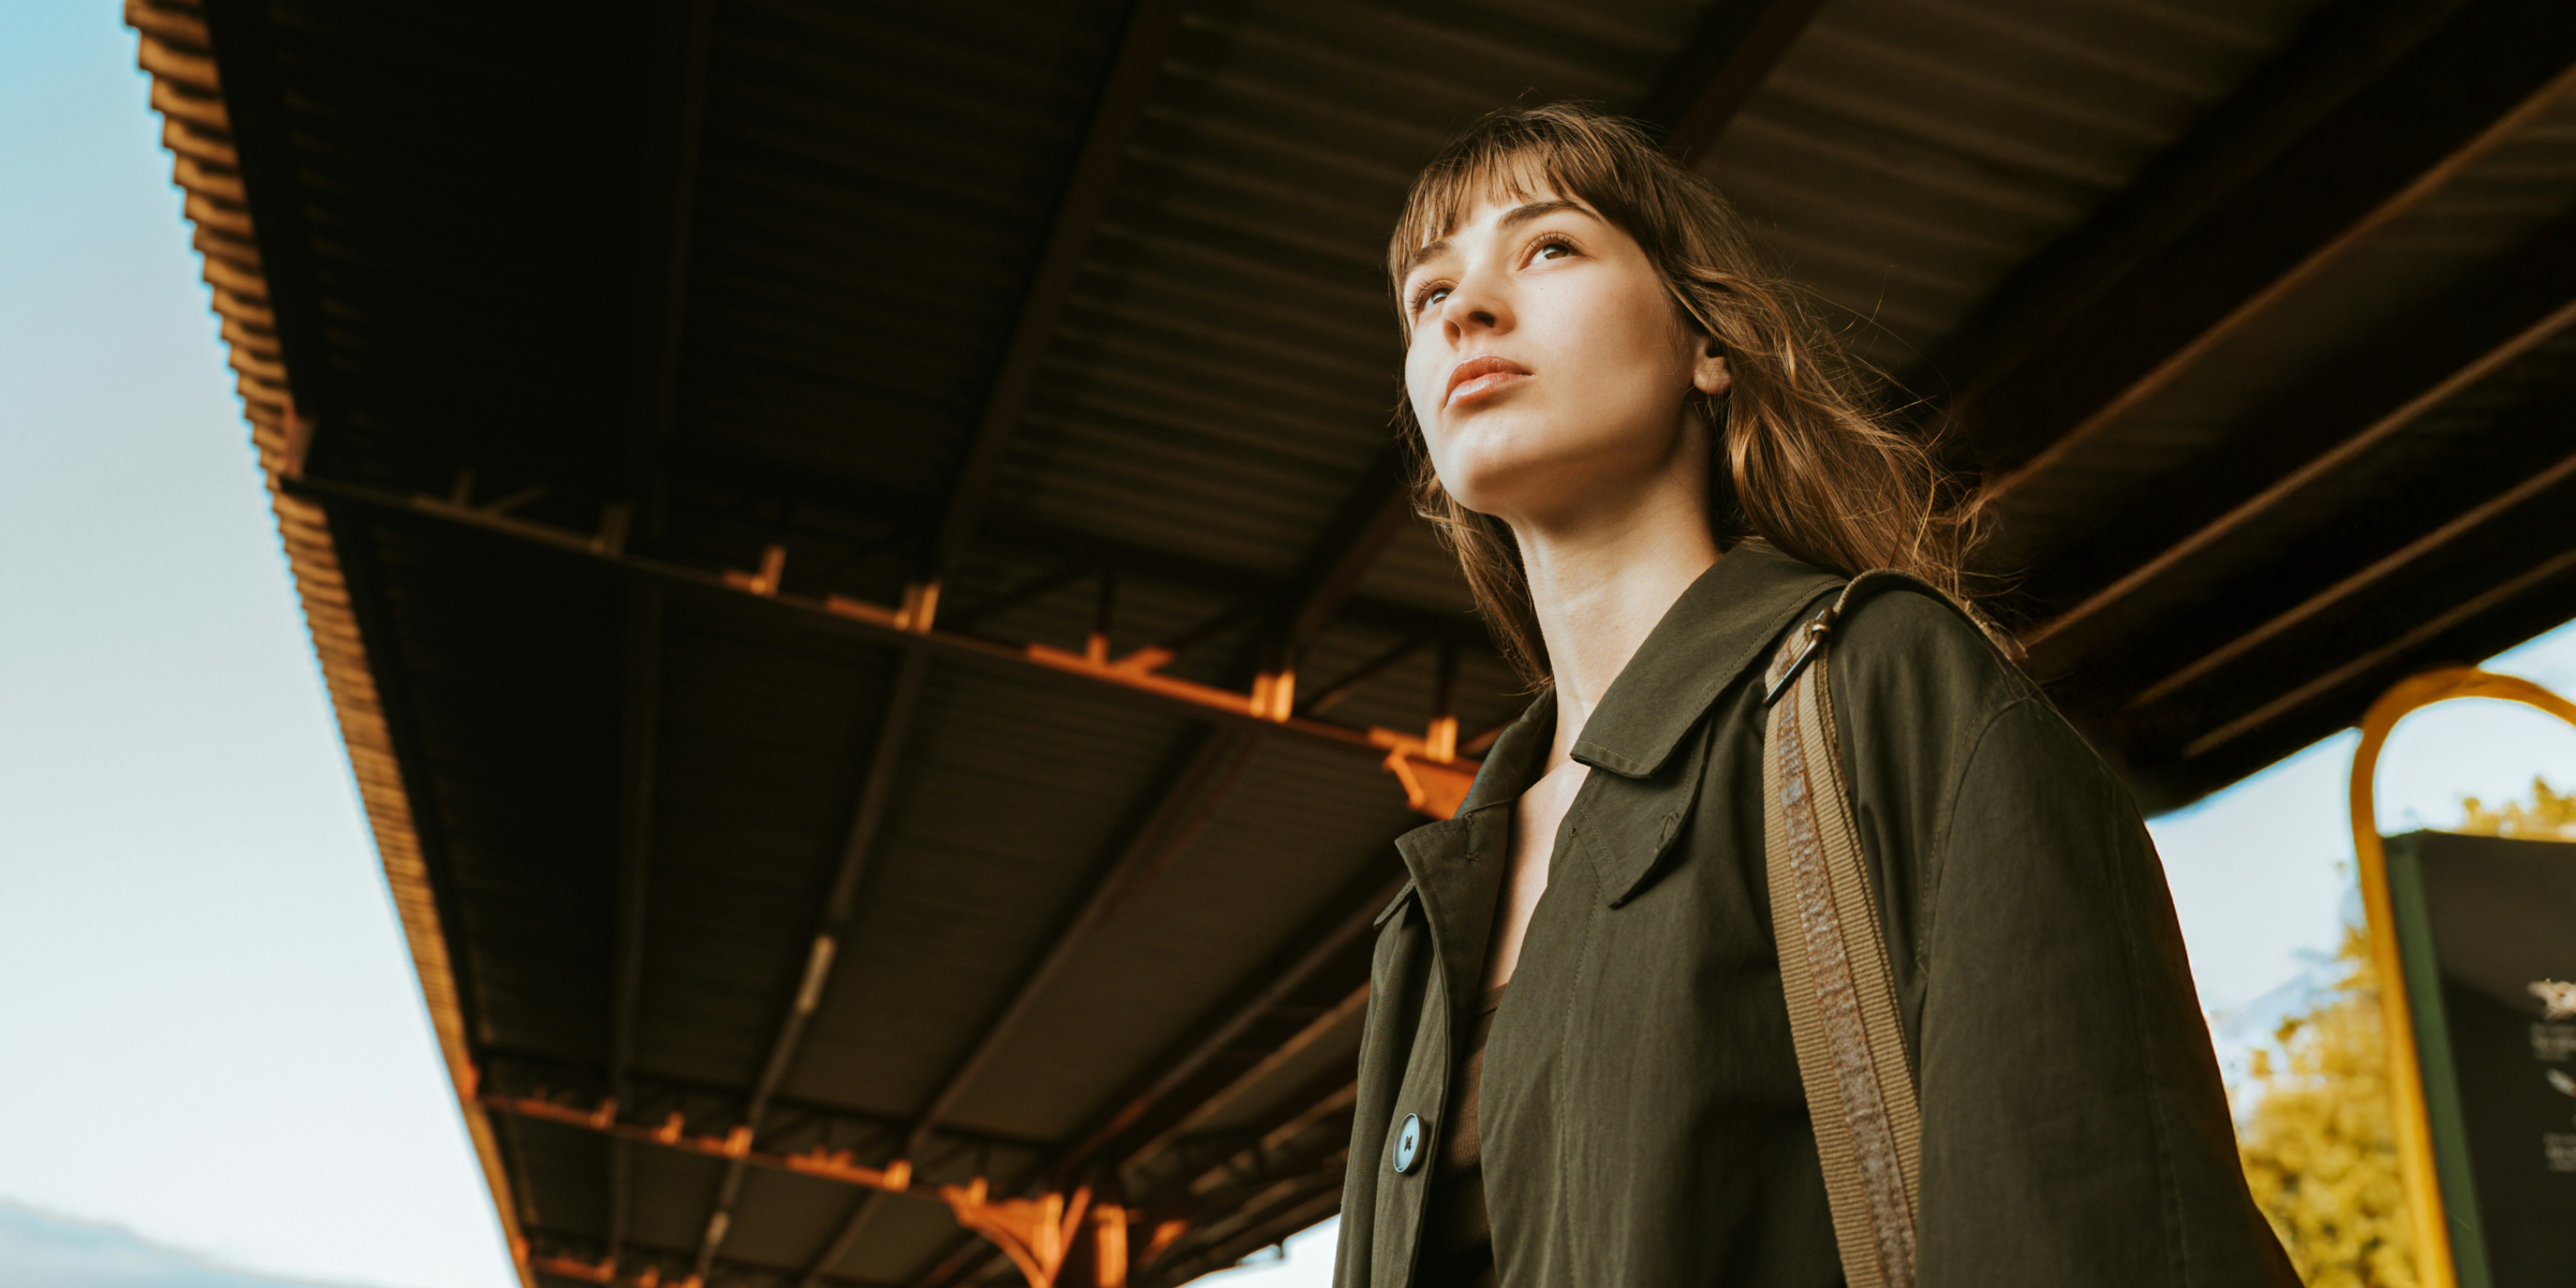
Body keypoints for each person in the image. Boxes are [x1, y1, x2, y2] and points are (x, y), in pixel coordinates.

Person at [1331, 104, 2296, 1288]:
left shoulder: (1884, 685)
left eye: (1549, 248)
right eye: (1429, 295)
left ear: (1706, 344)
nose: (1466, 308)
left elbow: (2098, 1221)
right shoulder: (1429, 913)